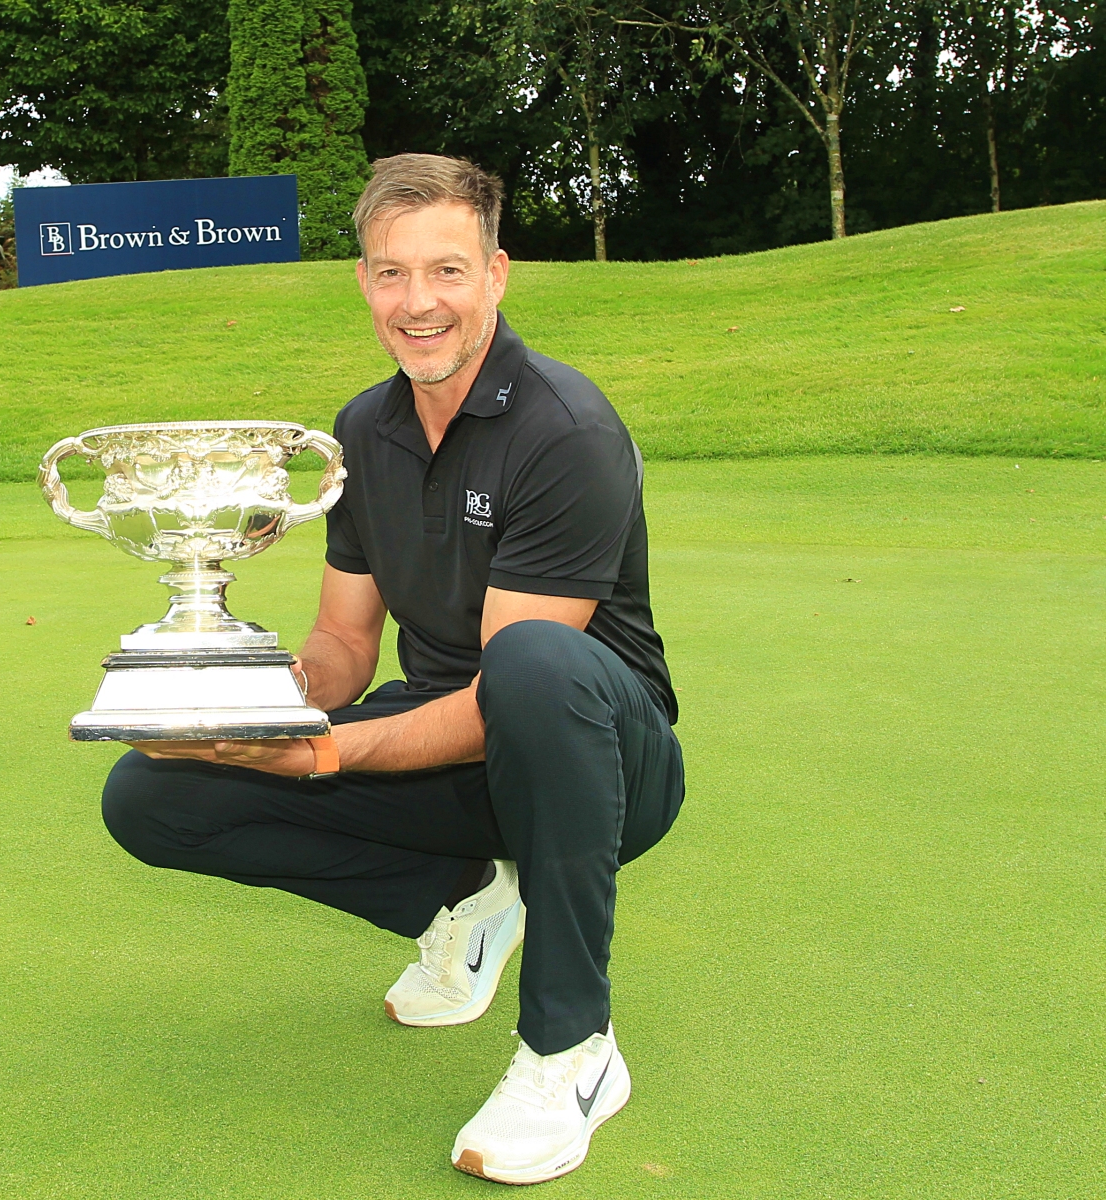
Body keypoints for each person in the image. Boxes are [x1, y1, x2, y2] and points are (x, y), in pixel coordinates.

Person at [100, 153, 685, 1185]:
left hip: (596, 763)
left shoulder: (567, 430)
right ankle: (463, 901)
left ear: (495, 274)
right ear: (364, 282)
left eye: (447, 270)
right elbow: (342, 645)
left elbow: (506, 699)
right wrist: (251, 707)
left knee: (535, 663)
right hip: (443, 749)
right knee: (152, 797)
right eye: (391, 272)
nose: (419, 303)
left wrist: (321, 756)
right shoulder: (362, 431)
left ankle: (572, 1051)